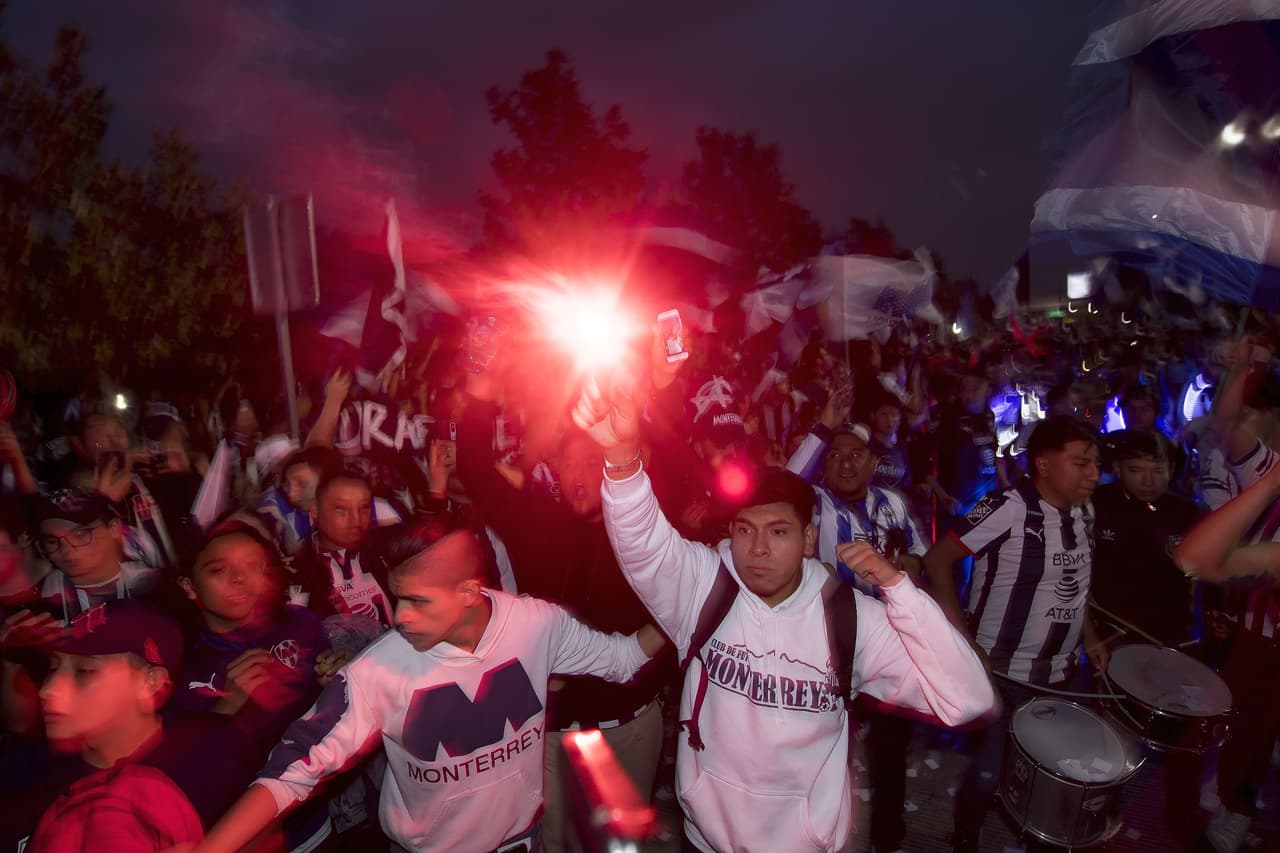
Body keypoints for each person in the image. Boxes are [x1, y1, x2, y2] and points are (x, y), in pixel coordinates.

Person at [574, 371, 994, 853]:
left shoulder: (850, 620)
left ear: (809, 539)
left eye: (778, 532)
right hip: (705, 841)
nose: (757, 549)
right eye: (745, 530)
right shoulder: (706, 589)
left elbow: (968, 698)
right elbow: (643, 543)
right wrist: (621, 456)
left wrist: (900, 591)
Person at [190, 518, 665, 853]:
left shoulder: (535, 624)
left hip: (526, 843)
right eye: (397, 597)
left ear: (468, 592)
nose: (400, 617)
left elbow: (621, 661)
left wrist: (681, 614)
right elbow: (294, 769)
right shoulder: (377, 670)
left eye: (417, 601)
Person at [458, 369, 673, 853]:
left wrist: (656, 387)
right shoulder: (539, 525)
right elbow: (473, 466)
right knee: (548, 843)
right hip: (550, 731)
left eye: (591, 463)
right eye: (567, 466)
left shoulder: (647, 528)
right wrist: (483, 389)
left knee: (618, 846)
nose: (578, 477)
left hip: (627, 728)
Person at [923, 415, 1103, 852]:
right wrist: (964, 639)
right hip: (1003, 673)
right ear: (1043, 465)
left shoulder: (1085, 512)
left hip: (1061, 672)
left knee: (1048, 771)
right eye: (1081, 463)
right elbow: (937, 560)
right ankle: (966, 835)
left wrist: (1091, 636)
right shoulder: (1007, 507)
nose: (1094, 474)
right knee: (989, 774)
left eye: (1095, 463)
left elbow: (1078, 585)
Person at [785, 388, 930, 853]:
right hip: (828, 650)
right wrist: (822, 427)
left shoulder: (895, 502)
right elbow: (782, 482)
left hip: (890, 646)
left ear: (874, 463)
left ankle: (888, 838)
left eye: (857, 455)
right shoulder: (816, 506)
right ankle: (814, 835)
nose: (846, 464)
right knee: (825, 748)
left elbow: (921, 557)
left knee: (889, 752)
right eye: (836, 455)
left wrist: (905, 565)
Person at [0, 599, 261, 852]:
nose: (48, 689)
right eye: (53, 667)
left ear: (150, 682)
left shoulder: (217, 755)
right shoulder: (25, 776)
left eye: (84, 671)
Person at [1176, 420, 1280, 853]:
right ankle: (1229, 810)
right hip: (1263, 647)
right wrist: (1273, 481)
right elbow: (1196, 560)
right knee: (1243, 739)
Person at [33, 490, 161, 622]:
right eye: (52, 541)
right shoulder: (42, 600)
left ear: (114, 528)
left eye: (80, 534)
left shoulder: (153, 586)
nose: (66, 549)